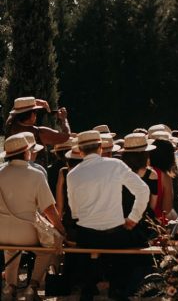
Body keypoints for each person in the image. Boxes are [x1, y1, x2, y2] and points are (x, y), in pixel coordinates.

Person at [66, 130, 151, 300]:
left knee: (86, 240)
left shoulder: (72, 174)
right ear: (100, 148)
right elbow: (143, 190)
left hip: (86, 236)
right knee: (131, 241)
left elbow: (74, 211)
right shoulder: (115, 165)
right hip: (115, 235)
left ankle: (89, 287)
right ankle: (117, 288)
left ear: (80, 151)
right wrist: (133, 218)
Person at [0, 134, 65, 301]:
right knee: (48, 248)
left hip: (2, 232)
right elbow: (49, 209)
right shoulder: (36, 175)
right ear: (26, 153)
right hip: (27, 232)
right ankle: (33, 286)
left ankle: (10, 286)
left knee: (10, 249)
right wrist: (60, 228)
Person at [4, 96, 71, 147]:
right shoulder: (39, 132)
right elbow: (65, 137)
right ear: (32, 114)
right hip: (32, 165)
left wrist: (34, 102)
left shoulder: (10, 123)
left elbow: (14, 110)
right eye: (35, 112)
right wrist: (64, 119)